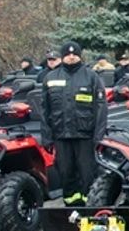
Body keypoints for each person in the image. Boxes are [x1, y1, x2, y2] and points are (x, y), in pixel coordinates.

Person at [39, 41, 106, 205]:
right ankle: (70, 206)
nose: (71, 57)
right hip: (61, 136)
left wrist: (98, 136)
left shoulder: (91, 77)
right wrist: (47, 137)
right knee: (65, 172)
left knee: (87, 173)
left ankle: (89, 206)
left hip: (85, 136)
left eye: (74, 54)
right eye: (68, 54)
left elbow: (101, 108)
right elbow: (44, 110)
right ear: (62, 57)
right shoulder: (51, 78)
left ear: (79, 56)